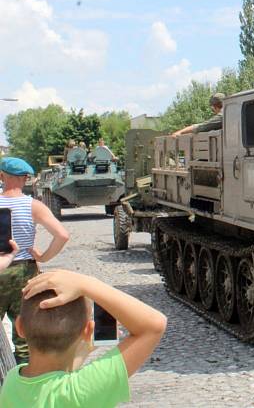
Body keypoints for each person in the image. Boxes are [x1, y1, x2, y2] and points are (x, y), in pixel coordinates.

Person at [0, 269, 167, 407]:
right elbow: (154, 325)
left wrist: (83, 351)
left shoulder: (12, 380)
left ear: (19, 327)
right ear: (87, 330)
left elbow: (52, 379)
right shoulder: (80, 392)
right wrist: (86, 283)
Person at [0, 157, 70, 365]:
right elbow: (62, 235)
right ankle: (23, 382)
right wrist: (43, 256)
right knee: (24, 331)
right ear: (24, 179)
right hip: (24, 271)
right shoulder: (33, 206)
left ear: (2, 176)